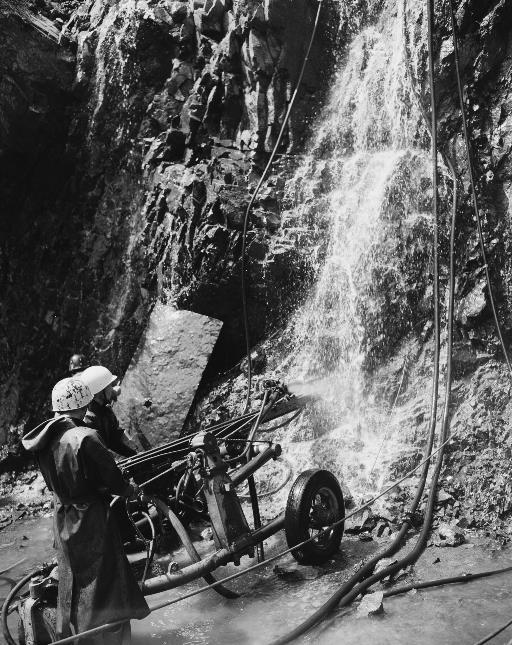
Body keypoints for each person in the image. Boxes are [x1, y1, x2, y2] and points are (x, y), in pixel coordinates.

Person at [22, 378, 149, 644]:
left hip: (64, 519)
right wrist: (131, 490)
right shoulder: (86, 437)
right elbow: (114, 481)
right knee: (107, 585)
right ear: (83, 403)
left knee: (73, 582)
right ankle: (113, 638)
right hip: (91, 519)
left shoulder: (43, 441)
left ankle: (76, 636)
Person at [79, 365, 137, 458]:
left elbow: (114, 439)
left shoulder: (105, 410)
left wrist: (135, 454)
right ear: (100, 391)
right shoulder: (89, 421)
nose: (112, 388)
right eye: (109, 386)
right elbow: (101, 453)